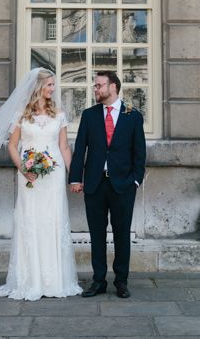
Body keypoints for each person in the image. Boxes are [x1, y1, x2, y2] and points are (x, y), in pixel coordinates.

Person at [0, 67, 82, 301]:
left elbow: (64, 147)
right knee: (31, 221)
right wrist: (23, 168)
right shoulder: (21, 115)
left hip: (53, 176)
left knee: (52, 221)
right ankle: (29, 280)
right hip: (29, 176)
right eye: (50, 85)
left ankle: (55, 280)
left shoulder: (59, 114)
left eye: (54, 85)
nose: (54, 89)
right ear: (38, 87)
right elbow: (12, 146)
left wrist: (74, 175)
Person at [69, 70, 146, 299]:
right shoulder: (89, 115)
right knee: (97, 234)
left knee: (122, 234)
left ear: (113, 87)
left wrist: (135, 180)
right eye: (95, 86)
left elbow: (139, 153)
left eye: (99, 85)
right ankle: (98, 280)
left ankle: (121, 281)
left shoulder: (133, 116)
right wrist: (75, 178)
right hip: (94, 184)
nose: (96, 89)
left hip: (123, 185)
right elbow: (80, 148)